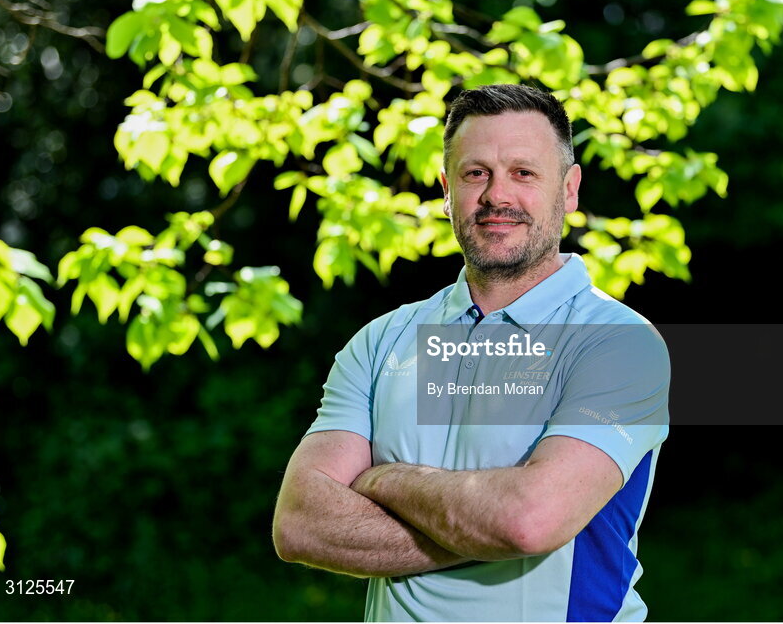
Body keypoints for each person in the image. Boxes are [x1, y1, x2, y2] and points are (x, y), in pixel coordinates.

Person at [272, 84, 670, 622]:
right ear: (445, 189)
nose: (496, 196)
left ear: (569, 190)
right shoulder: (382, 340)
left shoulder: (616, 343)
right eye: (475, 173)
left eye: (524, 173)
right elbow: (300, 523)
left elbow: (530, 521)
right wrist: (484, 522)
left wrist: (384, 480)